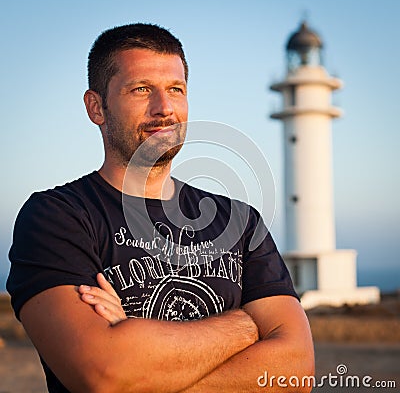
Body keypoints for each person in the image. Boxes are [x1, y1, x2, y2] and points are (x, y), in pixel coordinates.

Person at [7, 23, 314, 393]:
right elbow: (102, 374)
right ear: (96, 107)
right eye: (141, 90)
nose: (165, 108)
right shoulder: (57, 218)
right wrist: (246, 326)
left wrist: (140, 361)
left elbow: (296, 370)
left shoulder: (240, 220)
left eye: (176, 90)